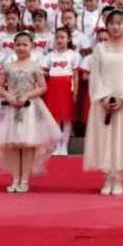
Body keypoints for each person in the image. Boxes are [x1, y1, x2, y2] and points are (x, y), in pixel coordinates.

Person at [0, 31, 61, 193]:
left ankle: (25, 179)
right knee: (12, 145)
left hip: (30, 109)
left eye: (25, 44)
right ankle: (15, 178)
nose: (21, 47)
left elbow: (42, 87)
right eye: (18, 44)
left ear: (32, 47)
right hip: (10, 108)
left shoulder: (35, 66)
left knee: (27, 145)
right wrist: (9, 96)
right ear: (13, 46)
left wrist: (27, 95)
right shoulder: (8, 66)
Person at [83, 11, 123, 196]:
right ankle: (107, 177)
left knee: (121, 139)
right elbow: (96, 75)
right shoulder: (100, 48)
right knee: (105, 138)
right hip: (103, 99)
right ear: (106, 26)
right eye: (112, 23)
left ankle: (118, 179)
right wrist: (102, 97)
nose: (115, 27)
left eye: (119, 23)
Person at [42, 27, 79, 156]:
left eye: (62, 37)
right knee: (56, 118)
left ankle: (64, 146)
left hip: (66, 85)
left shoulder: (73, 55)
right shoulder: (50, 55)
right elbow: (45, 72)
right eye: (57, 37)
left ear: (68, 39)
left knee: (67, 118)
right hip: (53, 86)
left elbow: (75, 75)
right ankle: (57, 145)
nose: (59, 40)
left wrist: (75, 90)